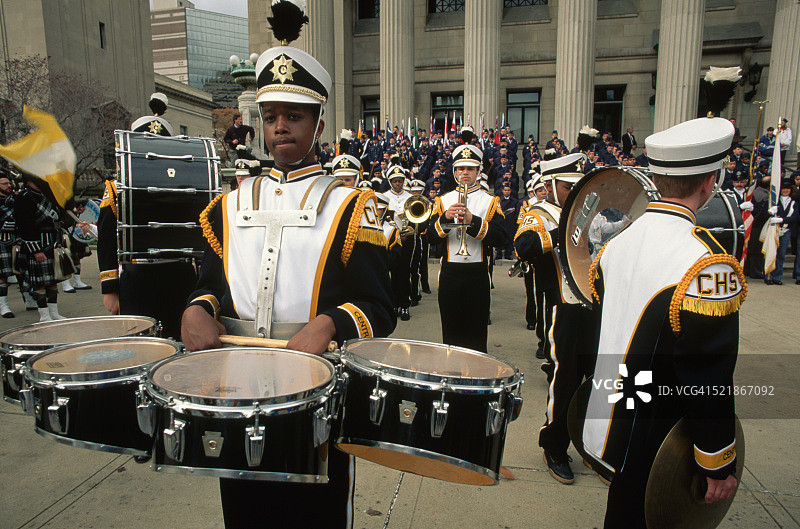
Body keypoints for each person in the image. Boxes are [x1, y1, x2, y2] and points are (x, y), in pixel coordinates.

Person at [180, 14, 395, 528]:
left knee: (314, 514)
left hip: (316, 392)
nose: (280, 126)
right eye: (271, 115)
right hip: (237, 390)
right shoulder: (229, 205)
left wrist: (329, 323)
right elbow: (211, 286)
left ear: (318, 124)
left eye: (294, 116)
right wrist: (197, 308)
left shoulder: (351, 206)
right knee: (244, 511)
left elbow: (379, 309)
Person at [583, 116, 743, 527]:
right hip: (663, 437)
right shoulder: (707, 263)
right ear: (709, 183)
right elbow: (708, 375)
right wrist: (716, 459)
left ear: (655, 178)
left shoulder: (616, 244)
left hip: (615, 418)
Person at [514, 153, 595, 484]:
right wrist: (566, 229)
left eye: (578, 186)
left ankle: (592, 444)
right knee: (565, 380)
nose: (574, 192)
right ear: (549, 186)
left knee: (599, 379)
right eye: (566, 186)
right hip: (565, 307)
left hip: (599, 307)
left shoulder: (595, 211)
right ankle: (555, 446)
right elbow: (524, 245)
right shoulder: (540, 214)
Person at [96, 93, 199, 339]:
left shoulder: (188, 185)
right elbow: (107, 240)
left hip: (180, 275)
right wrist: (110, 288)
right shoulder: (117, 188)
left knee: (181, 340)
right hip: (138, 277)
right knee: (140, 342)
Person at [427, 144, 505, 353]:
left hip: (477, 273)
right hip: (450, 273)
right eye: (460, 168)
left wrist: (473, 221)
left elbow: (501, 238)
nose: (465, 173)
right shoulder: (443, 201)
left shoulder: (490, 201)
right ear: (454, 172)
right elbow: (430, 237)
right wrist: (445, 218)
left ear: (479, 172)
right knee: (450, 334)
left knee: (476, 335)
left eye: (470, 168)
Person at [15, 175, 66, 321]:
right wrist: (36, 249)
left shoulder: (47, 195)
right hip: (37, 244)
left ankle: (54, 313)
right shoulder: (24, 197)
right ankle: (44, 315)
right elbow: (24, 225)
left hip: (51, 243)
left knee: (52, 281)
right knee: (39, 283)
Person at [765, 177, 798, 285]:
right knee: (771, 253)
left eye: (787, 188)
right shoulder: (774, 201)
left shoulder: (794, 202)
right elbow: (764, 214)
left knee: (781, 255)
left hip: (786, 230)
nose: (785, 190)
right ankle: (768, 276)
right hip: (774, 229)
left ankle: (777, 277)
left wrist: (782, 219)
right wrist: (770, 212)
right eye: (783, 188)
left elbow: (795, 217)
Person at [0, 175, 16, 317]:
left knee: (21, 273)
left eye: (9, 183)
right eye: (4, 184)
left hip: (16, 240)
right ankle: (3, 305)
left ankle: (29, 300)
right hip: (1, 240)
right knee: (2, 276)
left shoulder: (15, 200)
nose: (8, 185)